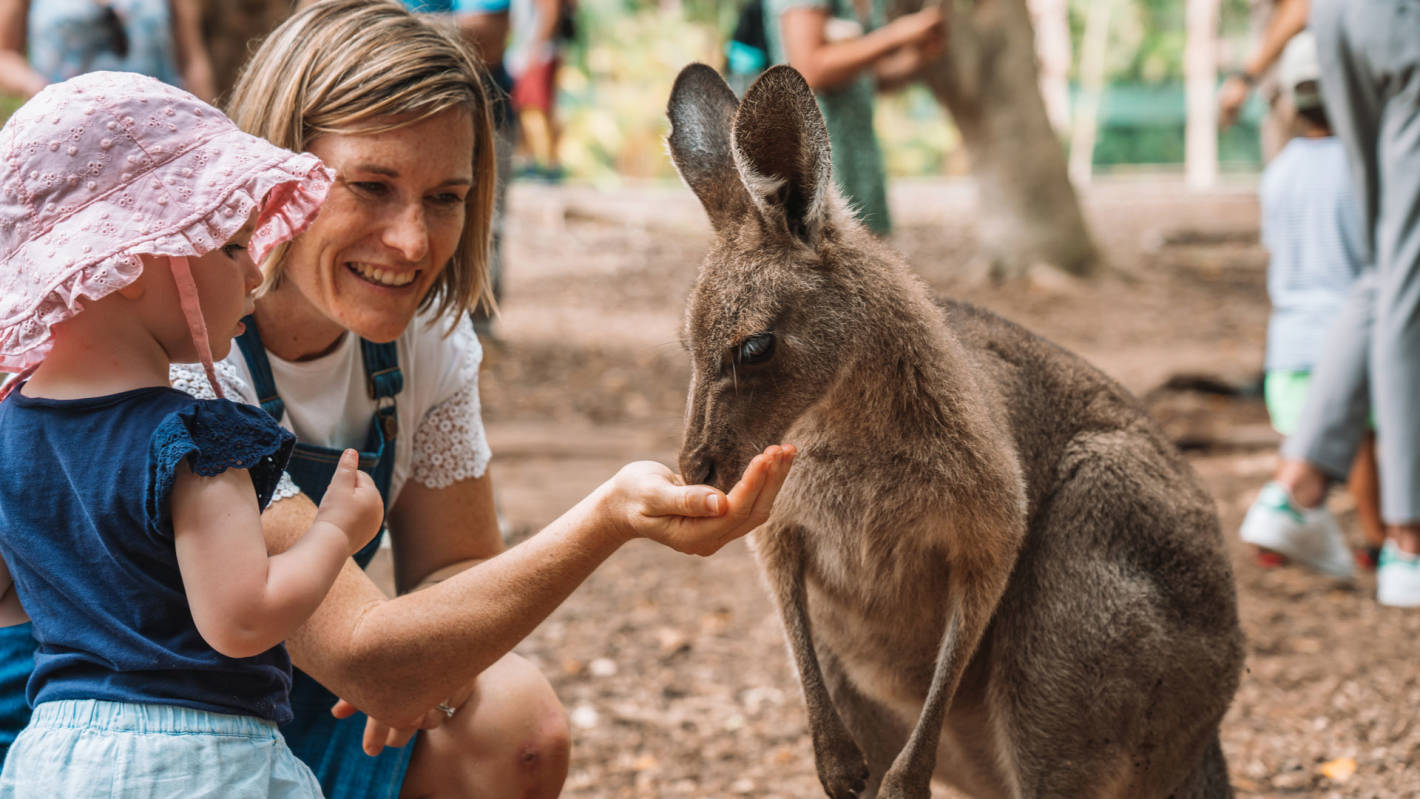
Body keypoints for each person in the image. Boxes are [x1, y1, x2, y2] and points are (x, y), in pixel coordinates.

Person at [0, 3, 794, 798]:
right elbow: (301, 630)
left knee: (512, 724)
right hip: (116, 721)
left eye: (446, 197)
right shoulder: (172, 368)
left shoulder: (422, 340)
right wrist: (606, 517)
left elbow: (454, 564)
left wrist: (429, 664)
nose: (413, 242)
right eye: (372, 187)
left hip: (266, 700)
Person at [0, 70, 379, 796]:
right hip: (199, 760)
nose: (257, 273)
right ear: (133, 262)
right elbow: (241, 618)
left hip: (51, 756)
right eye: (233, 244)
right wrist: (335, 527)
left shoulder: (11, 424)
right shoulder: (196, 437)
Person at [1221, 0, 1420, 606]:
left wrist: (1248, 73)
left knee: (1394, 259)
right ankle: (1408, 543)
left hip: (1344, 21)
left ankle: (1301, 486)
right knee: (1405, 260)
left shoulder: (1284, 172)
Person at [1240, 31, 1384, 576]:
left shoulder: (1279, 173)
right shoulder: (1362, 167)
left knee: (1301, 438)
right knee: (1364, 442)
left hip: (1290, 333)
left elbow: (1277, 249)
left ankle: (1283, 524)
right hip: (1347, 331)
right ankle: (1377, 539)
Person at [763, 0, 944, 235]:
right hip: (814, 157)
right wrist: (896, 35)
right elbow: (808, 70)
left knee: (866, 253)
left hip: (860, 154)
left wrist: (917, 55)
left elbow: (868, 78)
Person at [0, 0, 214, 101]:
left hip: (160, 121)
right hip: (65, 125)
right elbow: (4, 55)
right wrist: (39, 88)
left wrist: (210, 121)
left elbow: (192, 61)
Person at [507, 0, 567, 182]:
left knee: (540, 108)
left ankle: (551, 163)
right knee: (521, 107)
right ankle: (528, 160)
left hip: (538, 53)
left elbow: (551, 13)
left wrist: (536, 49)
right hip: (522, 52)